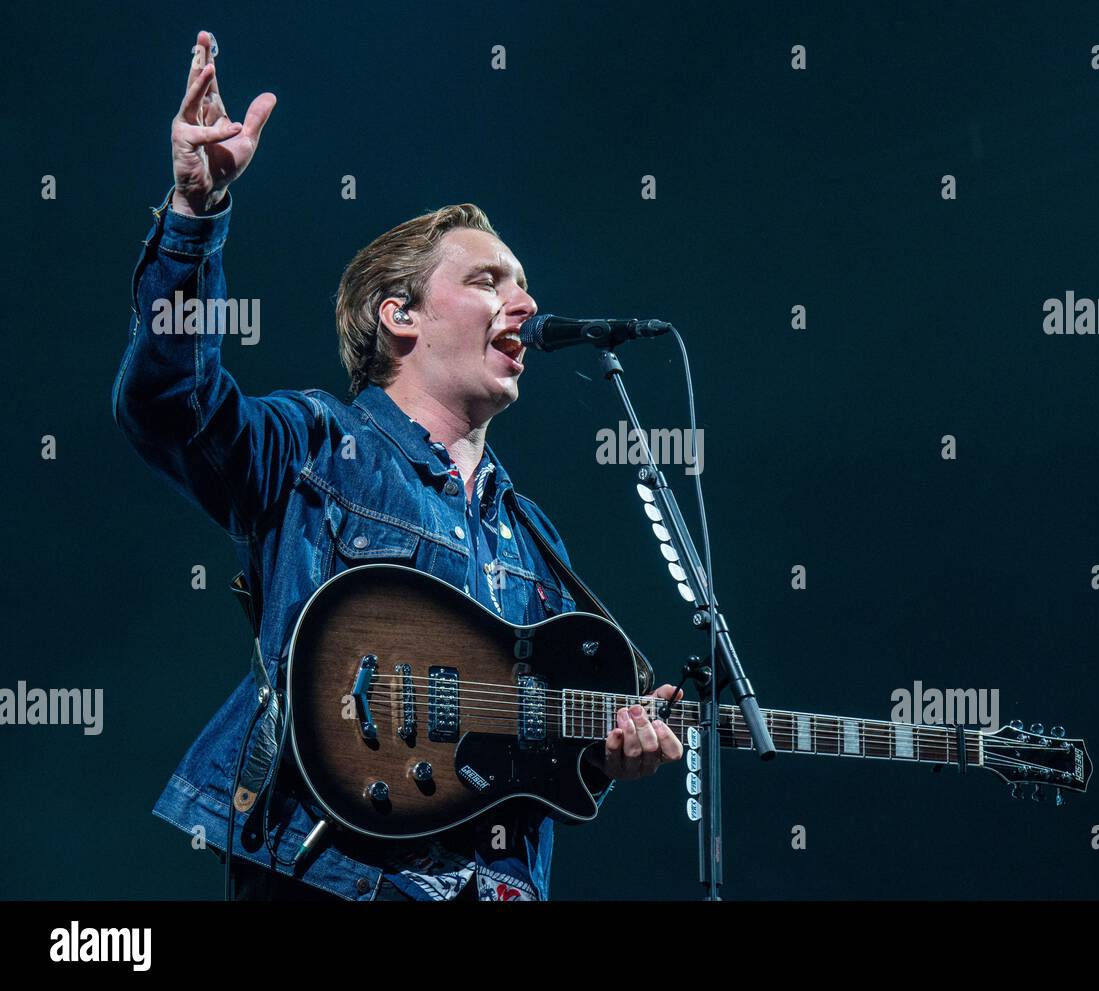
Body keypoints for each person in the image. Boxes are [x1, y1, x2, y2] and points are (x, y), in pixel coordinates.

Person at [113, 30, 684, 902]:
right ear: (400, 316)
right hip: (327, 876)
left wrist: (615, 753)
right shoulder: (313, 446)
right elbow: (169, 405)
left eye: (523, 284)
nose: (525, 304)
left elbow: (543, 755)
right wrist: (194, 219)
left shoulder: (534, 542)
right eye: (490, 280)